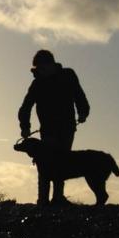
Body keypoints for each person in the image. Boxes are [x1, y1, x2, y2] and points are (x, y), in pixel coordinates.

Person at [18, 49, 90, 205]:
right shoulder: (37, 83)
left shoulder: (68, 75)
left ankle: (57, 197)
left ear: (50, 64)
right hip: (48, 130)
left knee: (62, 162)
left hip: (67, 127)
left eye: (42, 68)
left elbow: (79, 95)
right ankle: (43, 199)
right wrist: (25, 126)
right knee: (44, 162)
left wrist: (83, 112)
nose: (40, 71)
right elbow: (26, 106)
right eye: (38, 69)